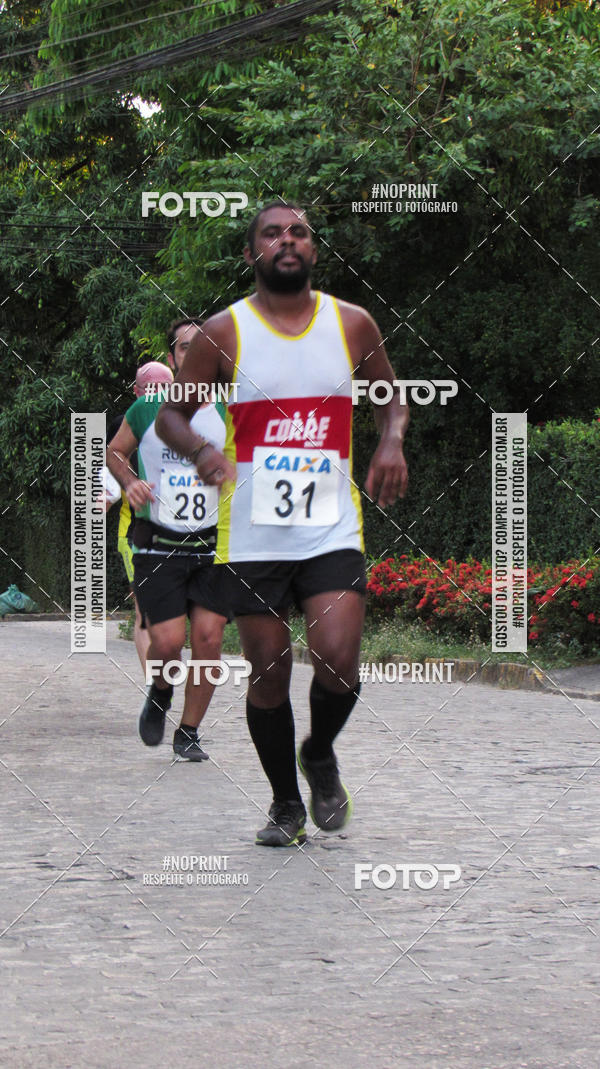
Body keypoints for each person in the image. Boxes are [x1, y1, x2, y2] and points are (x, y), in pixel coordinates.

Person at [155, 203, 408, 842]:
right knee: (269, 672)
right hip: (254, 531)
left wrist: (390, 442)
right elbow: (170, 418)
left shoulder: (352, 324)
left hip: (330, 525)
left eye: (298, 232)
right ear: (252, 255)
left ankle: (319, 751)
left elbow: (390, 396)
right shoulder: (222, 332)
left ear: (313, 251)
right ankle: (285, 804)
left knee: (339, 659)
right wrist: (202, 449)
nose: (286, 241)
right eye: (272, 233)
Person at [107, 321, 229, 761]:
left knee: (210, 641)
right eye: (184, 348)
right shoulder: (148, 408)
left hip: (216, 546)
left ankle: (189, 731)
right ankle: (161, 690)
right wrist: (129, 480)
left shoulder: (231, 410)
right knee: (169, 644)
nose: (194, 355)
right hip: (158, 543)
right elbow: (115, 451)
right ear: (173, 357)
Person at [103, 361, 175, 670]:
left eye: (164, 390)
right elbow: (108, 472)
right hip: (136, 531)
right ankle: (154, 690)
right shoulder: (124, 425)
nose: (158, 396)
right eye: (152, 390)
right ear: (136, 392)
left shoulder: (191, 422)